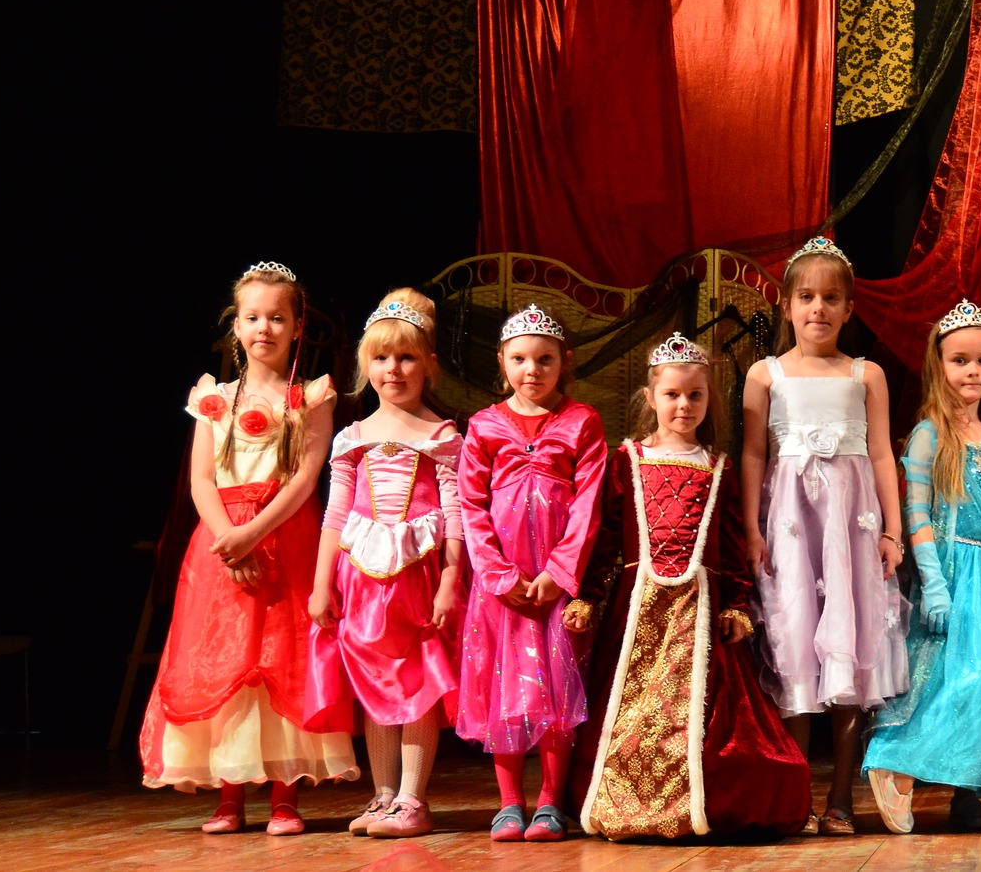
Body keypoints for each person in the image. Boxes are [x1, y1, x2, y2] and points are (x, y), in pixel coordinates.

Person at [139, 261, 357, 834]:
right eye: (253, 317)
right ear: (235, 325)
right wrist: (228, 540)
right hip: (222, 544)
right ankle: (230, 797)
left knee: (283, 658)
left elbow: (306, 478)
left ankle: (285, 796)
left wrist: (255, 533)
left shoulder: (311, 396)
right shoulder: (213, 398)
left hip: (286, 536)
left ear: (296, 326)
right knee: (230, 658)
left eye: (277, 318)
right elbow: (201, 481)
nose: (265, 328)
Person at [571, 333, 812, 840]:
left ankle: (706, 803)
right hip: (637, 613)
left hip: (700, 611)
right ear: (650, 398)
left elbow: (730, 543)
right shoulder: (628, 459)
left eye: (695, 395)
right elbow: (607, 535)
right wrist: (588, 597)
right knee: (630, 713)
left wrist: (738, 603)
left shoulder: (718, 465)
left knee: (710, 715)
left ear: (709, 400)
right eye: (673, 394)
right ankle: (624, 802)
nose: (684, 405)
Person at [741, 236, 908, 835]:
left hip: (851, 527)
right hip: (791, 525)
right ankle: (794, 797)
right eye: (807, 297)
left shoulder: (867, 374)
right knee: (794, 643)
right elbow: (753, 453)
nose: (819, 308)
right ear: (786, 305)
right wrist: (751, 528)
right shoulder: (765, 375)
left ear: (849, 308)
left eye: (831, 298)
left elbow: (883, 454)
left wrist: (893, 531)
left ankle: (841, 797)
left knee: (848, 649)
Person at [306, 290, 465, 839]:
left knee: (418, 684)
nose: (392, 369)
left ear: (429, 366)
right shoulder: (352, 438)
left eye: (406, 357)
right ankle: (382, 795)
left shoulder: (441, 436)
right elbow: (334, 513)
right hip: (362, 580)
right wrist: (321, 584)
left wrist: (450, 580)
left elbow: (455, 515)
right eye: (380, 357)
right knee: (376, 687)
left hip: (419, 578)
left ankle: (412, 799)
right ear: (364, 365)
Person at [866, 302, 981, 833]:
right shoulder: (929, 434)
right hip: (957, 573)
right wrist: (933, 582)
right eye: (960, 361)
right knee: (949, 678)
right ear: (939, 366)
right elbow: (917, 513)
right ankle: (894, 766)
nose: (972, 371)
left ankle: (967, 792)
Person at [456, 303, 608, 842]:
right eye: (519, 359)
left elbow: (588, 504)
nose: (532, 370)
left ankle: (549, 802)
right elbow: (471, 505)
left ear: (564, 362)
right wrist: (499, 576)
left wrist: (560, 573)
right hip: (504, 587)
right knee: (505, 686)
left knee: (556, 687)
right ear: (502, 362)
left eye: (545, 359)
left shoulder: (582, 421)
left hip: (553, 586)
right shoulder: (484, 426)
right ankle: (508, 802)